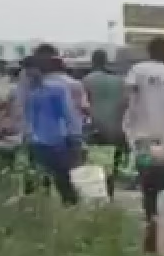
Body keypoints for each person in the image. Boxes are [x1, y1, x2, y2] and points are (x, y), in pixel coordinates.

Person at [124, 37, 164, 252]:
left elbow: (128, 98)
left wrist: (128, 126)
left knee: (149, 188)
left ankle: (152, 229)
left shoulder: (137, 70)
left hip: (144, 141)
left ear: (149, 51)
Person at [24, 44, 83, 205]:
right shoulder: (33, 93)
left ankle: (69, 205)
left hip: (57, 140)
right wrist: (28, 134)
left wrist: (74, 136)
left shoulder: (56, 89)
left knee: (62, 177)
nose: (29, 75)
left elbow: (67, 113)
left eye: (31, 71)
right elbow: (31, 117)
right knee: (39, 178)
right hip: (38, 141)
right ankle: (40, 207)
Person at [82, 49, 128, 196]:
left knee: (96, 164)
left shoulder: (88, 80)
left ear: (93, 61)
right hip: (116, 128)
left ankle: (98, 193)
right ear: (106, 61)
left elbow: (84, 105)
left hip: (96, 128)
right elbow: (126, 103)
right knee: (111, 163)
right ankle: (110, 189)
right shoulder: (119, 81)